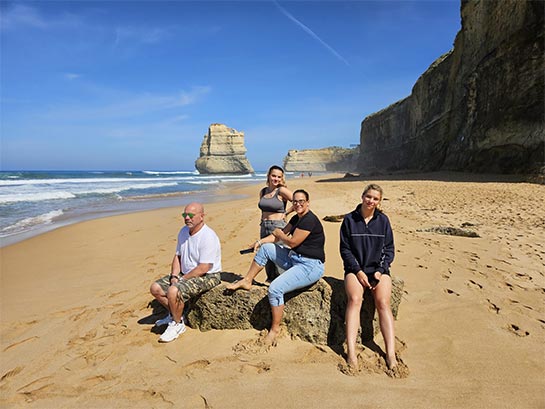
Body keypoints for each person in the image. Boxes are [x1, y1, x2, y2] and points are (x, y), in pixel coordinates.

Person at [227, 189, 325, 345]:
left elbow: (292, 242)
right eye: (295, 201)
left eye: (301, 201)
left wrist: (280, 235)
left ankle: (275, 329)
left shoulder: (309, 220)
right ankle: (247, 280)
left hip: (310, 266)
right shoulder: (296, 219)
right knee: (266, 248)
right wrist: (259, 243)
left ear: (307, 203)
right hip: (294, 259)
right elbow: (274, 236)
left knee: (275, 289)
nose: (298, 204)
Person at [340, 184, 397, 369]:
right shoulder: (349, 219)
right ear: (362, 196)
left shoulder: (383, 220)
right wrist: (358, 271)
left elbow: (389, 249)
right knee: (355, 299)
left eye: (375, 198)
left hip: (378, 270)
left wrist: (381, 270)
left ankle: (390, 354)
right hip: (355, 269)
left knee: (382, 302)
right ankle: (351, 352)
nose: (371, 201)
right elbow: (345, 250)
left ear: (379, 201)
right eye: (368, 197)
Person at [150, 202, 222, 343]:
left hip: (209, 275)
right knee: (155, 288)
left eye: (191, 215)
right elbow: (178, 256)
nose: (187, 218)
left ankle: (177, 325)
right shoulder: (183, 232)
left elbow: (204, 268)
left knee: (173, 291)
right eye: (185, 215)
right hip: (186, 273)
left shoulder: (208, 236)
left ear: (202, 216)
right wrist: (174, 276)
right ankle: (175, 315)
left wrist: (181, 281)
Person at [258, 165, 293, 282]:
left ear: (282, 179)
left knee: (279, 255)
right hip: (264, 226)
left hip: (278, 226)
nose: (276, 179)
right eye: (274, 176)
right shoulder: (263, 191)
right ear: (269, 176)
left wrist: (286, 212)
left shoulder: (281, 190)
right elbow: (263, 210)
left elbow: (299, 201)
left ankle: (285, 282)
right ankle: (270, 280)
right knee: (267, 255)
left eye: (279, 177)